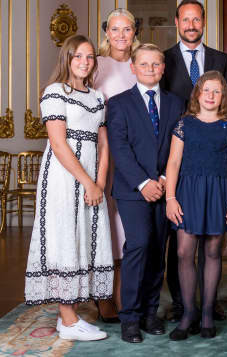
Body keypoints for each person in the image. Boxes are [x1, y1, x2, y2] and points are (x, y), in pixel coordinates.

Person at [24, 34, 112, 341]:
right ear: (68, 59)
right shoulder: (54, 93)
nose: (85, 62)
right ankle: (68, 319)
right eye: (79, 57)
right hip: (63, 178)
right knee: (64, 239)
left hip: (91, 178)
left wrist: (99, 182)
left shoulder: (98, 97)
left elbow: (103, 144)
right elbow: (59, 145)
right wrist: (87, 181)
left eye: (90, 57)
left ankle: (70, 318)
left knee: (83, 239)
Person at [160, 0, 227, 322]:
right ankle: (182, 302)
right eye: (185, 19)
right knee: (181, 243)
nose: (191, 24)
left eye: (196, 19)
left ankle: (209, 302)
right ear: (177, 22)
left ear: (204, 21)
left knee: (212, 242)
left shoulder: (222, 59)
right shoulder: (164, 60)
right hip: (178, 159)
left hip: (215, 162)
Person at [107, 43, 185, 343]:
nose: (151, 69)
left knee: (157, 250)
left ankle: (151, 313)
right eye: (144, 64)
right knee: (138, 246)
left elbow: (178, 146)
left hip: (165, 187)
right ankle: (130, 317)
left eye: (156, 64)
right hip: (132, 190)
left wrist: (165, 178)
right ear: (133, 68)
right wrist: (144, 183)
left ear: (163, 68)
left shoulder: (176, 103)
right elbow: (120, 148)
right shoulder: (118, 103)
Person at [165, 71, 227, 340]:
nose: (211, 96)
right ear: (197, 93)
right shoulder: (184, 124)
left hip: (219, 193)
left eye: (217, 91)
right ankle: (189, 313)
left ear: (223, 97)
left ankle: (208, 312)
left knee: (212, 251)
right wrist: (170, 197)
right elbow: (174, 163)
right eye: (206, 90)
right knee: (184, 251)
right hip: (187, 192)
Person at [93, 7, 141, 323]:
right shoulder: (95, 64)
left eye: (127, 29)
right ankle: (103, 296)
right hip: (101, 153)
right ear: (106, 32)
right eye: (115, 29)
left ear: (134, 32)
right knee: (103, 222)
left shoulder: (141, 64)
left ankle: (124, 293)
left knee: (126, 224)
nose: (121, 35)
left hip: (134, 154)